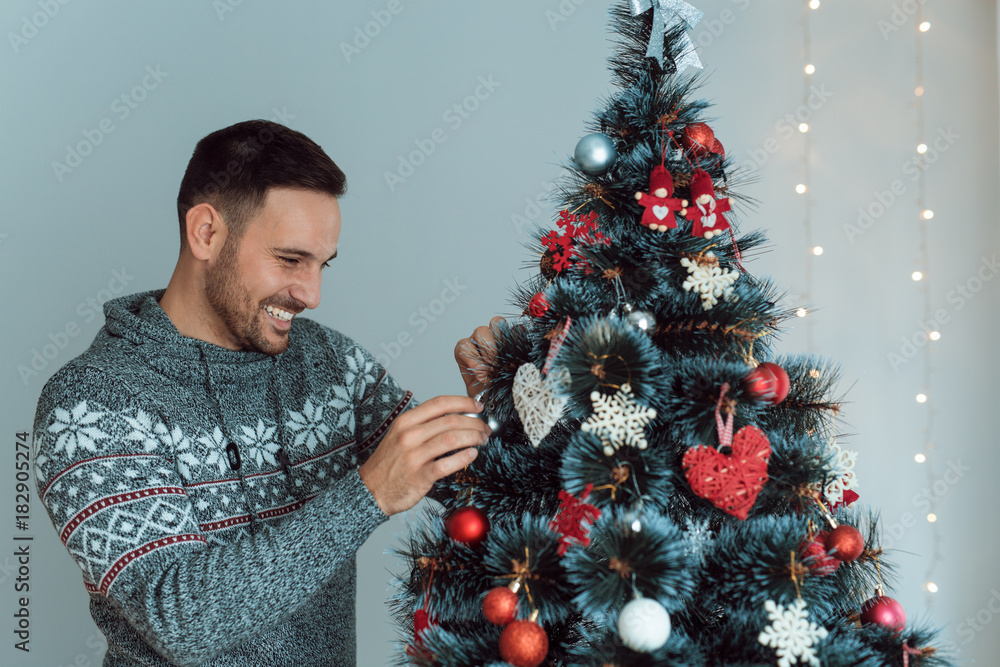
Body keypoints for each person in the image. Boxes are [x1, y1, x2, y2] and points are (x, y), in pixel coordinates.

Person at [31, 119, 501, 666]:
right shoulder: (90, 403)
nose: (312, 294)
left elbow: (478, 492)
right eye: (290, 259)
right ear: (206, 233)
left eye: (322, 264)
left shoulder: (330, 363)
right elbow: (179, 620)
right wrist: (368, 493)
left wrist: (502, 405)